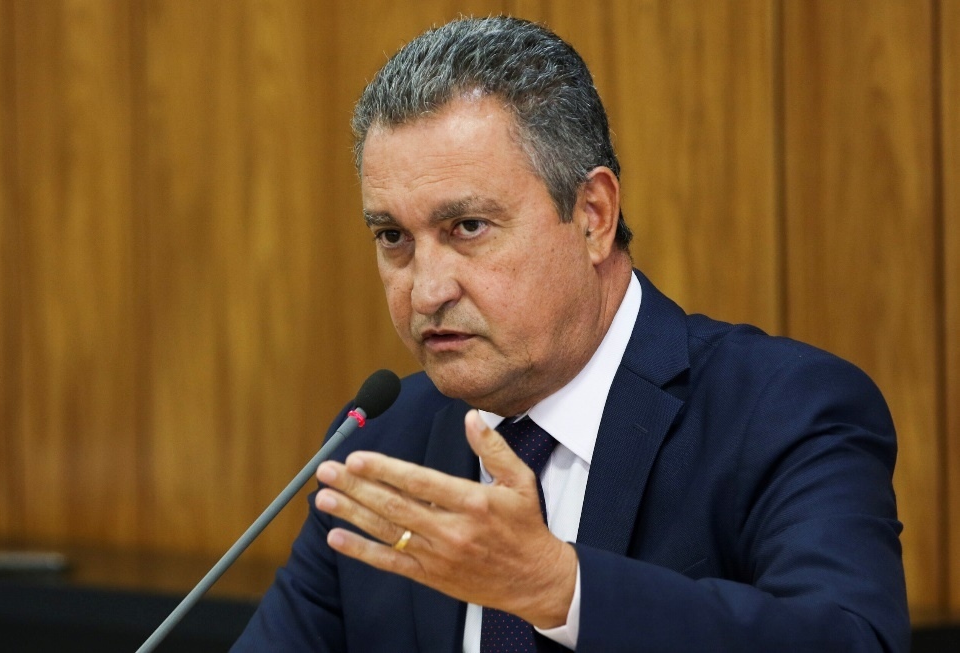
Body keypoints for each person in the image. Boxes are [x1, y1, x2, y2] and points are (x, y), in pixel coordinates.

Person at [232, 16, 908, 652]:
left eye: (467, 227)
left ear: (592, 215)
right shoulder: (382, 444)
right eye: (392, 237)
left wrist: (561, 590)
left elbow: (852, 639)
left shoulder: (782, 410)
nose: (427, 290)